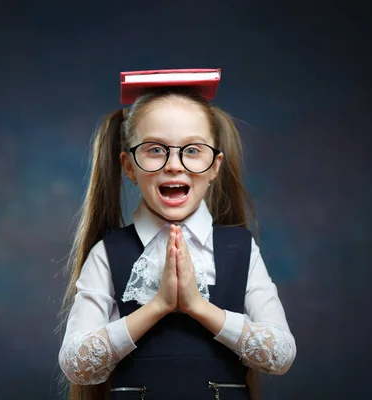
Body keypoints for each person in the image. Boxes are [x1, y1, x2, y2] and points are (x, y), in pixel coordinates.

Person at [58, 71, 296, 399]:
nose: (174, 165)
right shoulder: (107, 253)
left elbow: (281, 355)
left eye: (193, 150)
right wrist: (158, 306)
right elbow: (75, 364)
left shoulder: (241, 249)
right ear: (129, 166)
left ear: (215, 166)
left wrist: (198, 306)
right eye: (155, 150)